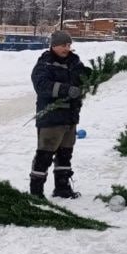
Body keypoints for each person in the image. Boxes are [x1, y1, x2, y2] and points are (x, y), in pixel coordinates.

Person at [29, 30, 92, 198]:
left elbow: (82, 77)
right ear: (54, 46)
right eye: (64, 45)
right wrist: (66, 90)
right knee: (45, 154)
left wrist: (90, 75)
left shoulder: (74, 62)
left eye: (69, 45)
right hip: (51, 118)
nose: (67, 48)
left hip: (70, 117)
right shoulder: (45, 63)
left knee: (65, 154)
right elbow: (41, 85)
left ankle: (62, 187)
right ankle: (36, 192)